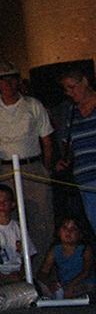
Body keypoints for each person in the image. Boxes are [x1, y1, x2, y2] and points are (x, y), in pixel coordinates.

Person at [0, 63, 55, 259]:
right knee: (5, 220)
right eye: (3, 79)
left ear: (18, 81)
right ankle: (11, 268)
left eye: (12, 78)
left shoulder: (33, 105)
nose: (8, 84)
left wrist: (46, 169)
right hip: (2, 169)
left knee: (41, 219)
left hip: (32, 167)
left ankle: (40, 270)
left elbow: (47, 140)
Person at [56, 68, 96, 232]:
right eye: (66, 89)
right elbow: (70, 144)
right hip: (85, 179)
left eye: (72, 87)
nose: (69, 92)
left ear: (85, 82)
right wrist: (65, 160)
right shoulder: (72, 113)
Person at [37, 216, 95, 299]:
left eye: (73, 229)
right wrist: (49, 283)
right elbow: (43, 272)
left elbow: (86, 272)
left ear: (80, 234)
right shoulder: (55, 250)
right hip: (64, 285)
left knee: (69, 292)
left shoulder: (85, 249)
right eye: (65, 228)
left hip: (84, 283)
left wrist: (70, 284)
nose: (68, 232)